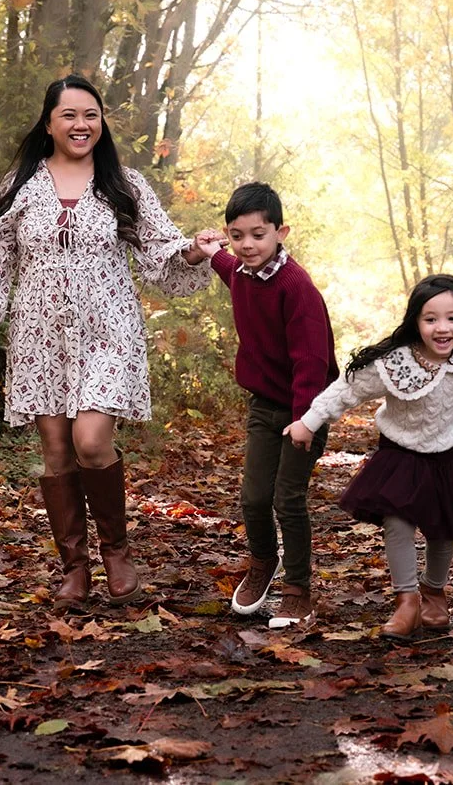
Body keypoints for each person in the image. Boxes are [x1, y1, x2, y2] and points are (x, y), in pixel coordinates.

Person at [0, 74, 216, 610]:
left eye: (91, 115)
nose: (81, 124)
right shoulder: (19, 186)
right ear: (48, 123)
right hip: (39, 336)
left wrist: (193, 251)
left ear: (101, 121)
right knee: (56, 453)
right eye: (69, 115)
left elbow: (161, 253)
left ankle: (116, 553)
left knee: (91, 442)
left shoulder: (124, 183)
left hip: (109, 332)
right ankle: (74, 568)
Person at [289, 275, 453, 640]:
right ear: (415, 322)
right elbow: (348, 388)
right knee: (398, 521)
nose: (443, 328)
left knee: (444, 527)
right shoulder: (393, 364)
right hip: (402, 453)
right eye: (430, 319)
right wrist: (309, 422)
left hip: (451, 454)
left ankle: (434, 593)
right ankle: (407, 601)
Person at [195, 182, 338, 628]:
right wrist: (208, 249)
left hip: (307, 408)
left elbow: (311, 362)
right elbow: (222, 263)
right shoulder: (240, 270)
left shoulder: (297, 288)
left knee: (287, 499)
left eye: (259, 234)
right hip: (264, 405)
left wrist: (305, 421)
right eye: (237, 235)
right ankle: (262, 562)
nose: (247, 244)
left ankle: (298, 590)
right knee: (254, 498)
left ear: (281, 232)